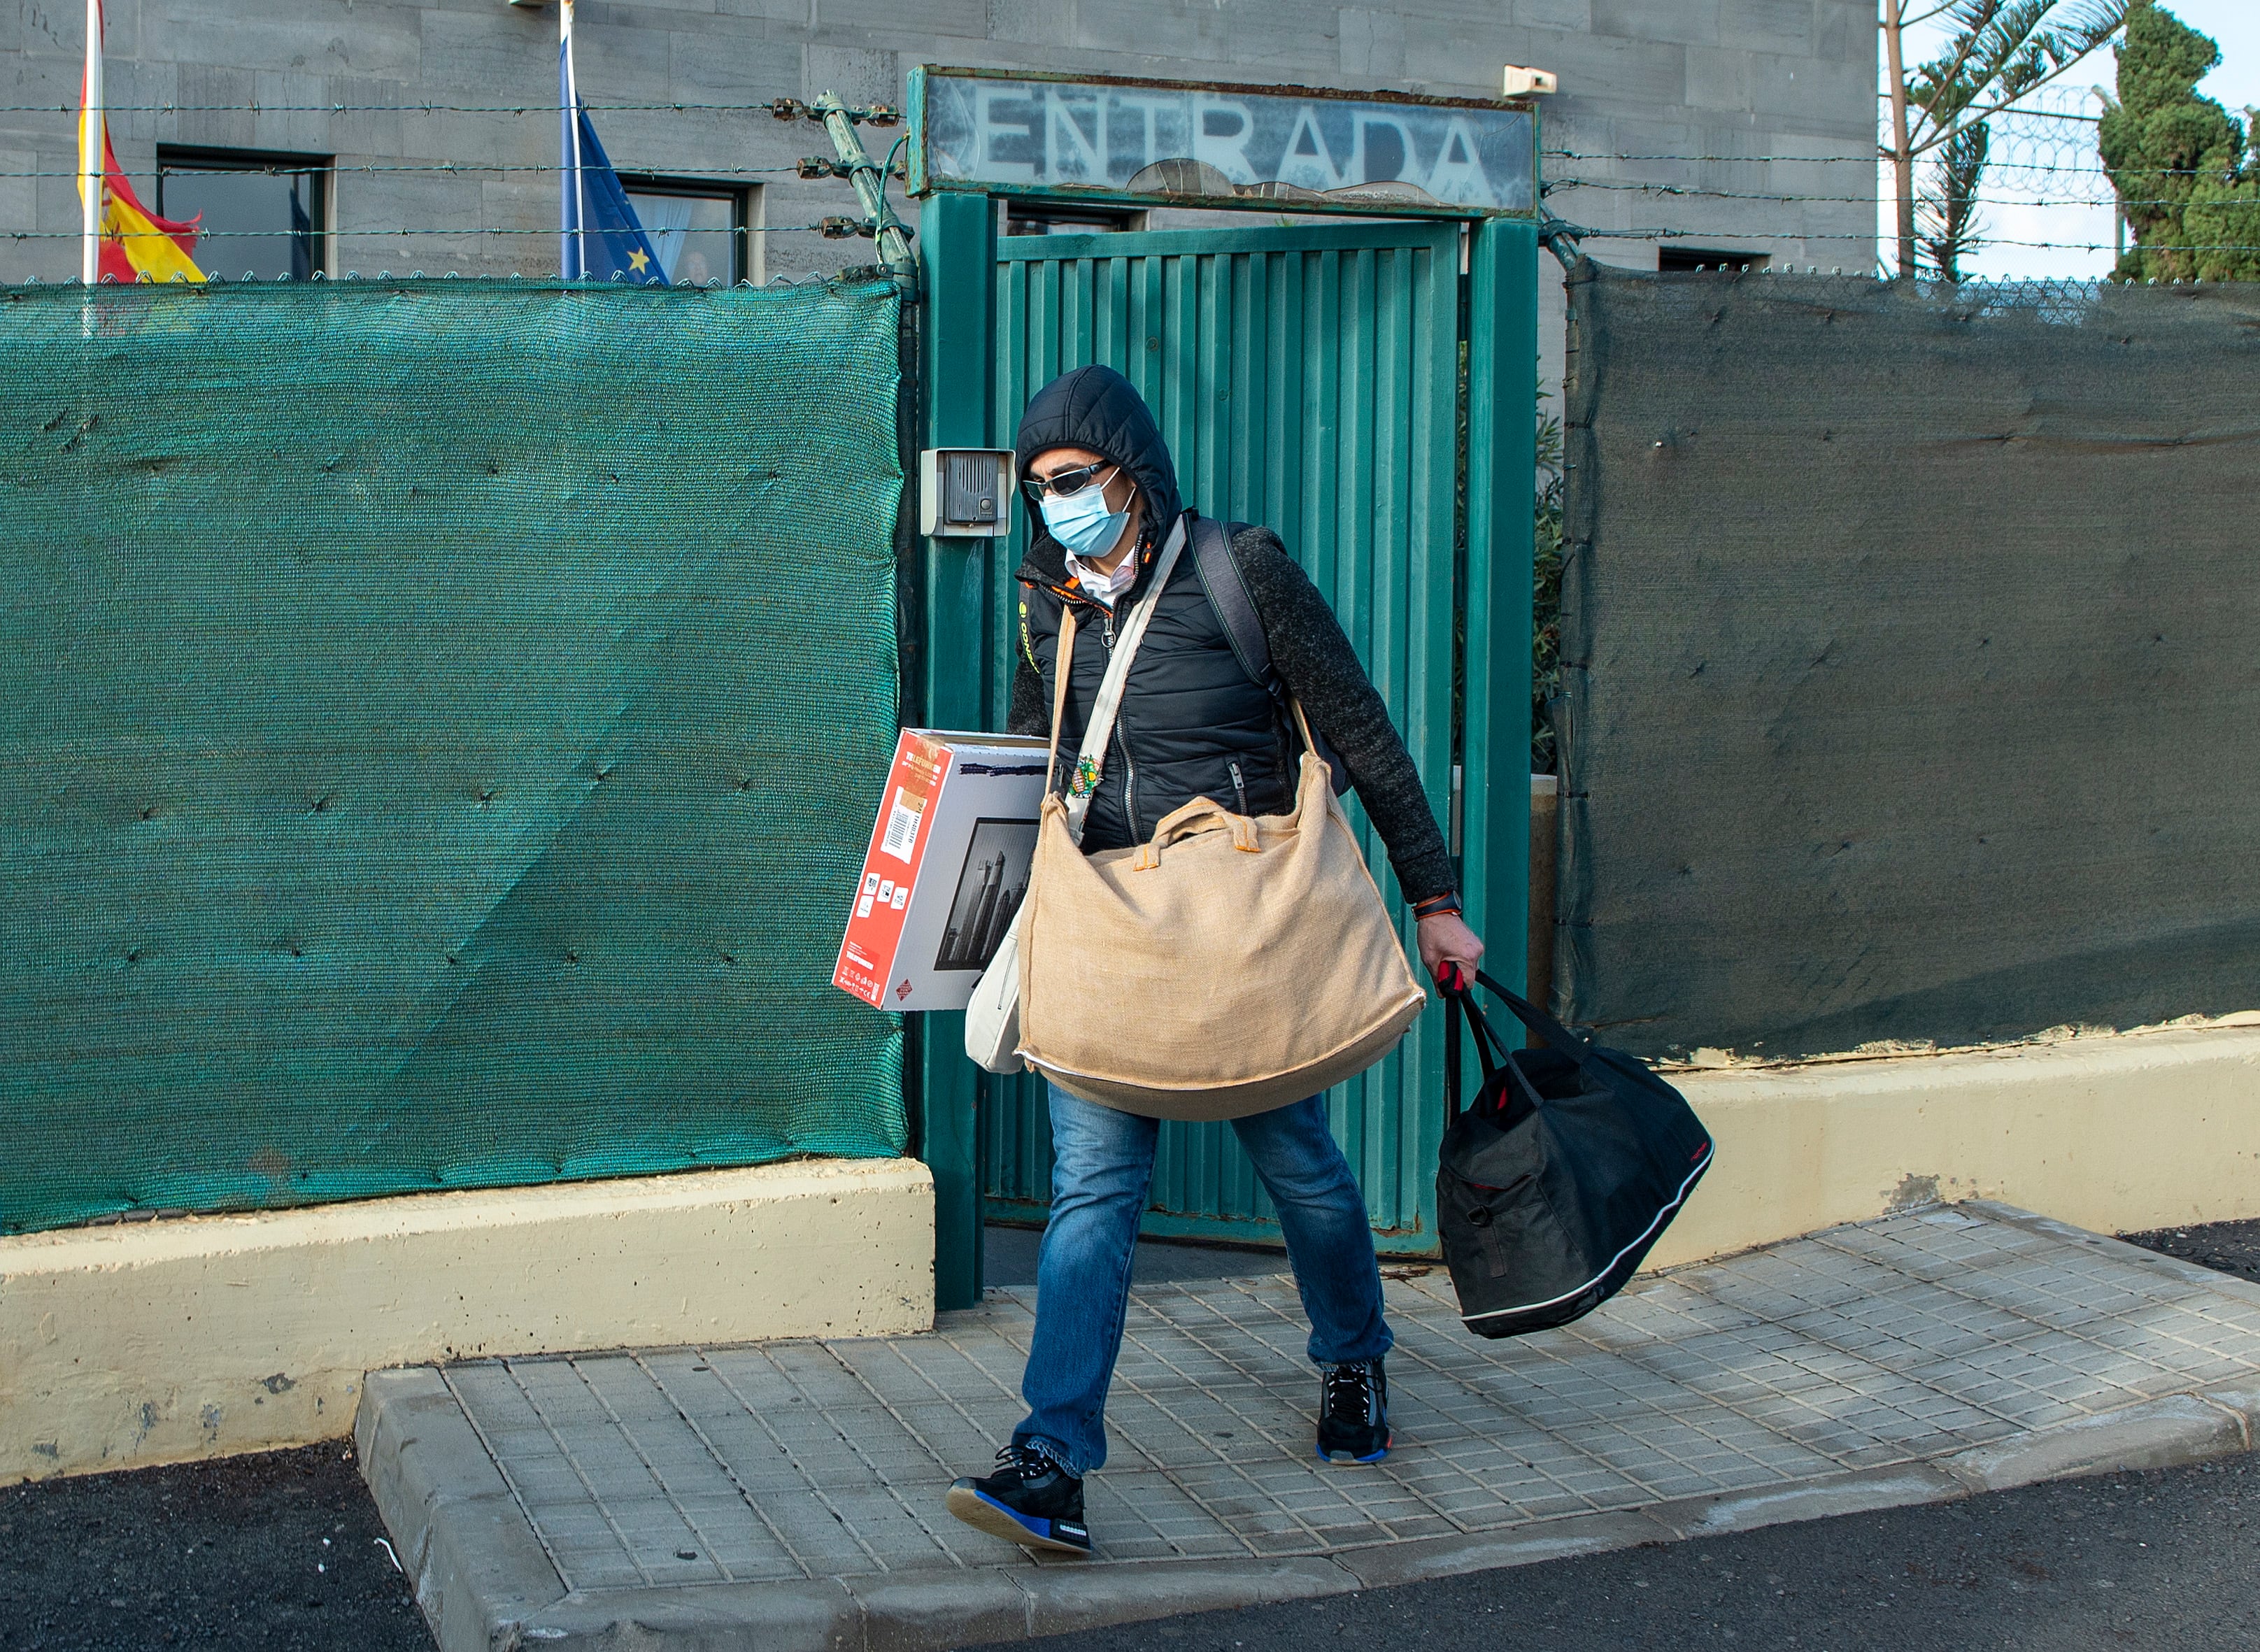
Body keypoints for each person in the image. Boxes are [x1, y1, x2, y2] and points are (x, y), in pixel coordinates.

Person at [945, 364, 1484, 1558]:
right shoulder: (1053, 599)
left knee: (1301, 1168)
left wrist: (1434, 898)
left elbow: (1362, 731)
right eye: (1040, 491)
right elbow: (1042, 756)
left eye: (1073, 482)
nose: (1055, 509)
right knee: (1093, 1191)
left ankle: (1354, 1360)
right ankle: (1052, 1456)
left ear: (1133, 477)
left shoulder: (1244, 570)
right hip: (1110, 930)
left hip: (1243, 930)